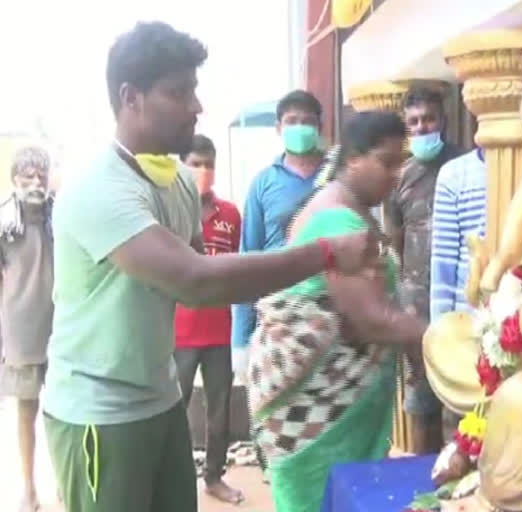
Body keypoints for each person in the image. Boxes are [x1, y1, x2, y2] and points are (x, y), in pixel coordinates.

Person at [41, 22, 381, 512]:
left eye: (194, 90)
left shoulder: (178, 180)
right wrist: (325, 253)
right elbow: (196, 280)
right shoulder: (100, 187)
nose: (196, 106)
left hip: (160, 400)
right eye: (178, 93)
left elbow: (204, 269)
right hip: (99, 412)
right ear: (130, 97)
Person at [249, 111, 427, 512]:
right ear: (352, 160)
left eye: (402, 163)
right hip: (317, 408)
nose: (396, 174)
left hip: (342, 403)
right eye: (387, 162)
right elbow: (370, 319)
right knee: (321, 500)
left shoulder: (354, 209)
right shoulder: (335, 218)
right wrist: (439, 338)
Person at [383, 87, 462, 454]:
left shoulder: (463, 165)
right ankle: (419, 478)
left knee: (461, 394)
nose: (422, 127)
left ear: (442, 120)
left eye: (428, 119)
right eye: (413, 122)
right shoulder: (399, 175)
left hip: (460, 297)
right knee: (419, 398)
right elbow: (394, 240)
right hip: (416, 302)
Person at [231, 90, 325, 378]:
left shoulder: (337, 175)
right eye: (291, 121)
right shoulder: (263, 183)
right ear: (278, 128)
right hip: (278, 319)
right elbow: (249, 258)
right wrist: (240, 340)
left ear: (320, 127)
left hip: (329, 315)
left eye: (307, 121)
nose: (299, 128)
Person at [172, 134, 243, 504]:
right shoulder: (166, 211)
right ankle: (173, 478)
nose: (203, 171)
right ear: (180, 165)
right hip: (178, 333)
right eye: (195, 163)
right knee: (172, 412)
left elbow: (237, 268)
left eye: (209, 164)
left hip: (219, 331)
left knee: (220, 413)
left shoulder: (230, 214)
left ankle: (214, 477)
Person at [0, 146, 54, 512]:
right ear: (13, 178)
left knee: (65, 410)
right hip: (21, 331)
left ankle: (66, 483)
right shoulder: (5, 224)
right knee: (26, 410)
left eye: (41, 175)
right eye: (28, 175)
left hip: (63, 329)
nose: (35, 181)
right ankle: (30, 488)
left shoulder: (60, 217)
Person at [429, 147, 487, 442]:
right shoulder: (454, 173)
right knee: (464, 428)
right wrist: (442, 332)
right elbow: (444, 260)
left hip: (519, 316)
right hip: (468, 321)